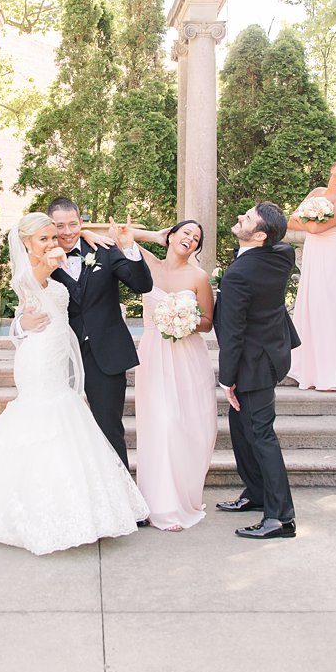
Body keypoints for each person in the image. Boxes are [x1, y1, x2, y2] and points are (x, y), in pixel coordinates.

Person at [0, 213, 149, 555]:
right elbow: (34, 284)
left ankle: (95, 508)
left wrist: (92, 237)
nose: (54, 243)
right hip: (38, 358)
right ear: (26, 244)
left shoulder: (73, 254)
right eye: (45, 238)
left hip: (72, 352)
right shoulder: (35, 270)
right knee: (42, 423)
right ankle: (38, 511)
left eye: (56, 236)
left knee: (85, 425)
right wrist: (21, 320)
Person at [213, 203, 301, 539]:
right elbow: (285, 245)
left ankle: (280, 518)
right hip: (269, 353)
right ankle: (255, 492)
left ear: (260, 235)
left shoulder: (239, 274)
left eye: (247, 218)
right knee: (242, 431)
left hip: (253, 363)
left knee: (261, 436)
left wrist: (227, 379)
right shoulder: (281, 256)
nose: (239, 217)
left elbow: (233, 333)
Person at [46, 196, 154, 468]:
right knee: (63, 429)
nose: (68, 231)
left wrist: (128, 247)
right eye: (60, 226)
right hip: (61, 355)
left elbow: (142, 285)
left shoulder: (104, 249)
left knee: (109, 427)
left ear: (81, 222)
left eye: (74, 224)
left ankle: (124, 503)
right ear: (50, 226)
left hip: (105, 353)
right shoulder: (40, 259)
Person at [128, 219, 217, 531]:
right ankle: (159, 505)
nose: (190, 239)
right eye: (185, 233)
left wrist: (182, 322)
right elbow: (118, 235)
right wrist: (153, 234)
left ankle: (180, 498)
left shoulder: (199, 277)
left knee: (183, 425)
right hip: (153, 355)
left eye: (196, 238)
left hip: (187, 356)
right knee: (159, 423)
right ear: (171, 236)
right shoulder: (148, 265)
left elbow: (207, 321)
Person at [287, 155, 336, 393]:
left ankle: (333, 373)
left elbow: (316, 227)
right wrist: (308, 222)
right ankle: (309, 370)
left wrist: (308, 222)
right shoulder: (316, 192)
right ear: (333, 167)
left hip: (333, 258)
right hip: (313, 255)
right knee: (312, 307)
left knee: (332, 309)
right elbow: (292, 220)